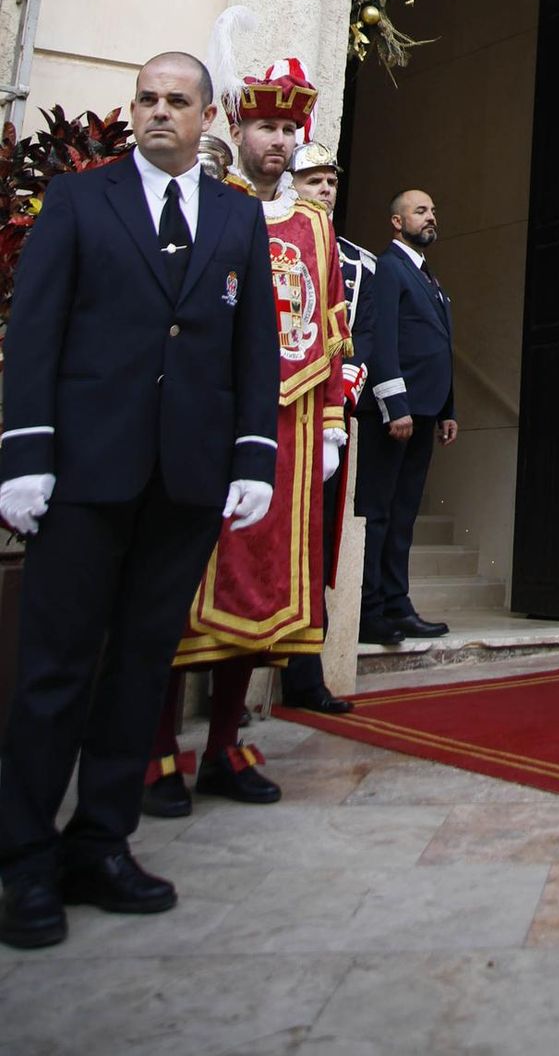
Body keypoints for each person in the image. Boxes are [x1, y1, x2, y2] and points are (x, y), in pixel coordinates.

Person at [0, 53, 278, 951]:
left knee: (140, 668)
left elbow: (253, 347)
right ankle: (23, 860)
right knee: (55, 669)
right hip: (81, 475)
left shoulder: (236, 219)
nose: (159, 113)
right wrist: (25, 456)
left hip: (187, 480)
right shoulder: (82, 200)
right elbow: (34, 329)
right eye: (147, 100)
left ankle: (101, 843)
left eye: (177, 102)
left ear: (208, 120)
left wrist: (254, 457)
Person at [145, 55, 350, 814]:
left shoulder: (315, 226)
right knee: (184, 587)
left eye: (290, 128)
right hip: (213, 424)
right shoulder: (203, 204)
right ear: (236, 126)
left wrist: (331, 421)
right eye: (265, 124)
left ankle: (226, 743)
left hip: (291, 433)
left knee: (263, 596)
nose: (278, 139)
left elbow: (333, 330)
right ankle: (159, 746)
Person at [276, 141, 375, 717]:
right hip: (280, 411)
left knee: (314, 549)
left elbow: (365, 338)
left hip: (330, 418)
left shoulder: (357, 260)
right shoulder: (273, 241)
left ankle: (306, 674)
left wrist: (355, 383)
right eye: (313, 181)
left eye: (331, 182)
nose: (324, 190)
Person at [356, 189, 457, 648]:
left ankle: (397, 604)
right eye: (420, 211)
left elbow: (440, 346)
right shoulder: (387, 268)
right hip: (395, 412)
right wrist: (394, 406)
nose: (431, 217)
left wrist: (447, 409)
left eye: (433, 211)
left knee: (404, 513)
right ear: (397, 222)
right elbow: (383, 340)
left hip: (425, 410)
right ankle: (368, 609)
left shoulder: (427, 275)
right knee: (378, 511)